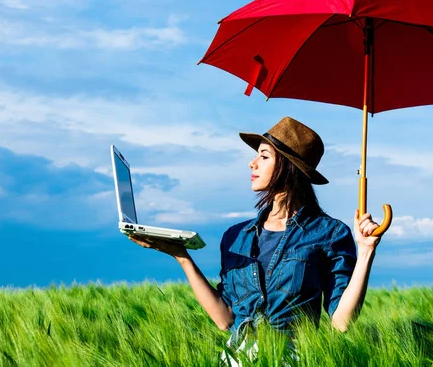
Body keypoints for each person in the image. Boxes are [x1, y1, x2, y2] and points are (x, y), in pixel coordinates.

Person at [128, 116, 384, 362]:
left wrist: (365, 252)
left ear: (288, 167)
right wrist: (182, 257)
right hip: (236, 359)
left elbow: (341, 323)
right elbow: (225, 319)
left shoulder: (329, 234)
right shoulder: (236, 236)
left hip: (293, 359)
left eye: (264, 156)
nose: (252, 163)